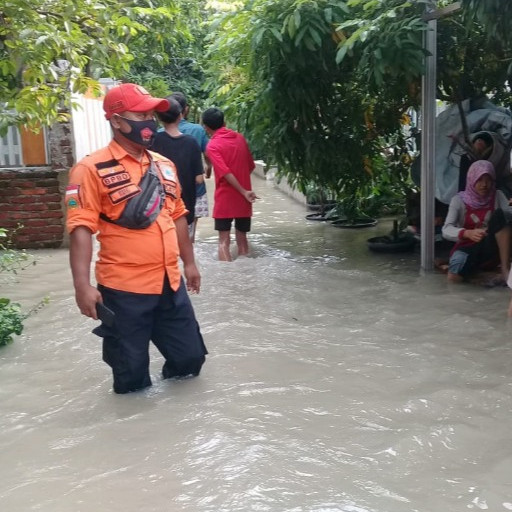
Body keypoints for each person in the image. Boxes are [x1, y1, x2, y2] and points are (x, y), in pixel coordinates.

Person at [65, 82, 207, 394]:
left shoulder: (164, 166)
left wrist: (190, 263)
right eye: (140, 114)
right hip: (123, 290)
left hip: (170, 284)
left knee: (190, 360)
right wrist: (82, 286)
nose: (149, 122)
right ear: (116, 120)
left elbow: (178, 216)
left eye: (152, 115)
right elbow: (81, 228)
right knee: (131, 379)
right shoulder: (90, 169)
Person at [201, 107, 258, 261]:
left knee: (223, 242)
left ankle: (228, 281)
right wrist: (244, 190)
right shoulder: (240, 138)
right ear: (224, 122)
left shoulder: (212, 146)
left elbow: (225, 173)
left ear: (205, 127)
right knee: (242, 240)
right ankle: (245, 274)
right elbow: (250, 166)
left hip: (225, 198)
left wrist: (241, 190)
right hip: (244, 198)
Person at [442, 160, 512, 284]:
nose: (484, 185)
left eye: (488, 180)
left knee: (500, 215)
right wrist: (467, 233)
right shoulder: (458, 200)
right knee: (454, 275)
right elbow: (446, 229)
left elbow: (508, 217)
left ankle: (505, 270)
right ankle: (481, 278)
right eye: (479, 180)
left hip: (492, 245)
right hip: (467, 247)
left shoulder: (497, 195)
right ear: (471, 180)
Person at [152, 97, 204, 239]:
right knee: (186, 246)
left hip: (160, 207)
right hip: (185, 206)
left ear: (159, 118)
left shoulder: (153, 141)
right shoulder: (191, 143)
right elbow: (199, 179)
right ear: (181, 115)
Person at [170, 92, 212, 242]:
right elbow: (208, 154)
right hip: (195, 188)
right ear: (185, 109)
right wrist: (209, 168)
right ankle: (190, 258)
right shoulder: (198, 131)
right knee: (190, 233)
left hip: (170, 191)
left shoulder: (159, 135)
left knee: (171, 231)